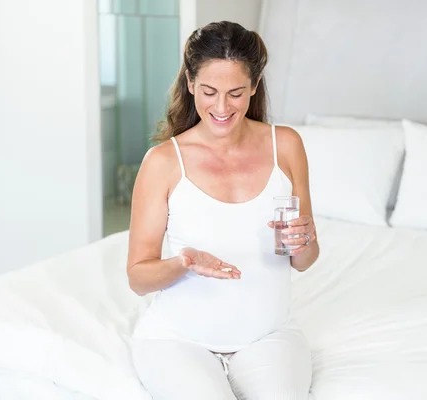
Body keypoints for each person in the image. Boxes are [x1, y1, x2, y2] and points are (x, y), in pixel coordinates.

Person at [127, 21, 319, 400]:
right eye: (210, 91)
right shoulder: (164, 162)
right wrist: (184, 263)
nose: (220, 107)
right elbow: (138, 278)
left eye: (235, 93)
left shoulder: (287, 146)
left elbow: (304, 260)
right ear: (191, 83)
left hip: (269, 335)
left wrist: (305, 240)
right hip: (178, 340)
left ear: (254, 86)